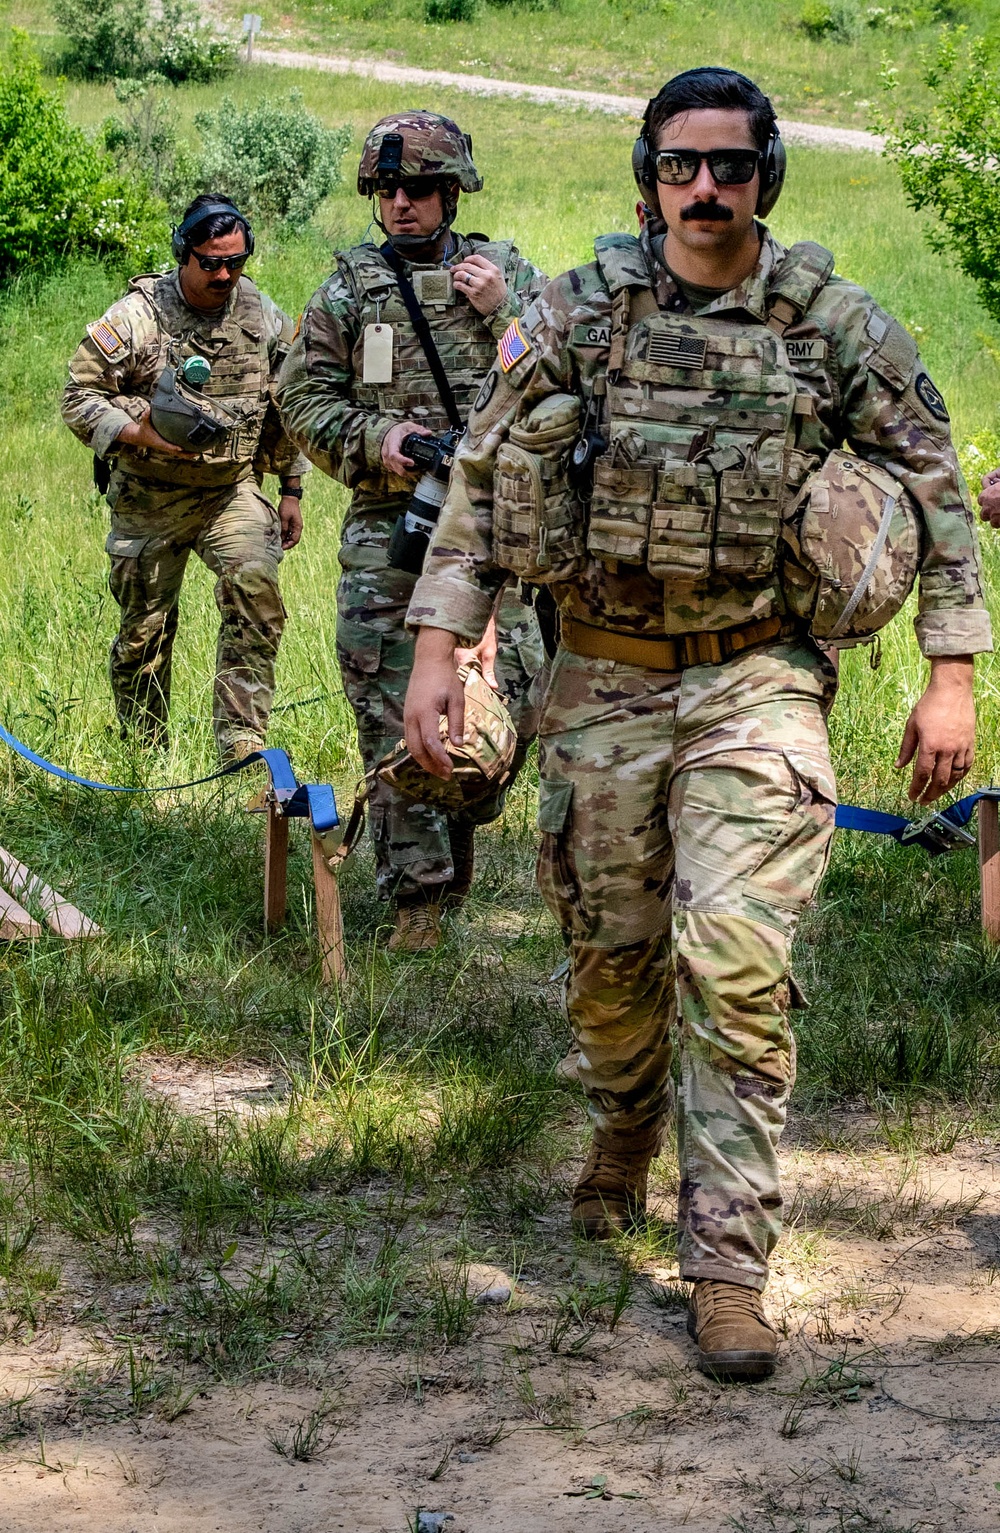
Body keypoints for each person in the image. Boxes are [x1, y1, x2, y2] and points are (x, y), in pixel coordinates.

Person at [402, 67, 992, 1381]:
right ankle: (624, 1119)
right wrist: (442, 645)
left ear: (765, 175)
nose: (707, 188)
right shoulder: (575, 315)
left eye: (730, 165)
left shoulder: (834, 326)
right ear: (651, 175)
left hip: (756, 676)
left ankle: (726, 1263)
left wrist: (952, 674)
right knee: (612, 966)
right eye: (683, 165)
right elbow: (487, 476)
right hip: (599, 678)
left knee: (733, 966)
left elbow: (937, 491)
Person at [276, 111, 548, 953]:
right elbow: (301, 398)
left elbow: (569, 373)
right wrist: (379, 442)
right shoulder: (348, 290)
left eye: (420, 189)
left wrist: (506, 314)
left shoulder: (506, 274)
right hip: (390, 533)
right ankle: (416, 901)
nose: (401, 203)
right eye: (387, 189)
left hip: (504, 532)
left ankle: (463, 823)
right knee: (392, 706)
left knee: (516, 701)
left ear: (453, 191)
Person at [62, 194, 307, 763]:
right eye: (211, 263)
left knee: (256, 594)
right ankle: (145, 753)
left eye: (236, 262)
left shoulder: (260, 314)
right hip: (150, 497)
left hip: (229, 491)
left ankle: (241, 746)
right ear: (183, 255)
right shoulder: (138, 317)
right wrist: (137, 433)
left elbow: (286, 402)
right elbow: (78, 396)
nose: (225, 275)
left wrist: (291, 489)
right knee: (144, 633)